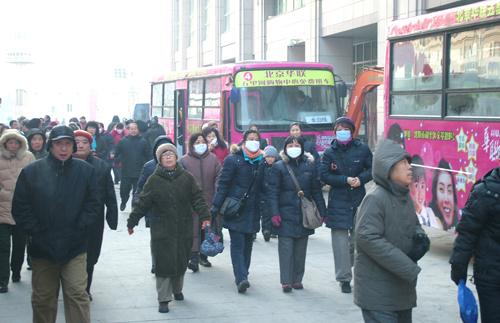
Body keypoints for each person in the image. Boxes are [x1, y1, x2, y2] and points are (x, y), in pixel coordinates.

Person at [12, 125, 99, 323]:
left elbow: (94, 205)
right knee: (43, 299)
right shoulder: (32, 172)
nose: (63, 148)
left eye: (68, 144)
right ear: (51, 145)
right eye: (59, 144)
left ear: (73, 147)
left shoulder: (86, 172)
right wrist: (36, 231)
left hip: (75, 246)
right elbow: (20, 207)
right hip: (42, 247)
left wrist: (80, 227)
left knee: (77, 295)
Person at [127, 143, 210, 314]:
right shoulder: (154, 180)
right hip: (162, 229)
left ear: (176, 157)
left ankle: (177, 289)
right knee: (163, 263)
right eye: (164, 155)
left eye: (171, 154)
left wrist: (205, 216)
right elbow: (143, 202)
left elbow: (197, 198)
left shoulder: (187, 177)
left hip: (183, 227)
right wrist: (132, 221)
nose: (168, 157)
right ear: (159, 160)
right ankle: (164, 298)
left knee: (180, 260)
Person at [354, 139, 429, 323]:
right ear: (388, 168)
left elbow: (413, 224)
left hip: (401, 289)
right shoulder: (375, 198)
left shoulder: (403, 196)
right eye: (403, 163)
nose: (409, 168)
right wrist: (406, 265)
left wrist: (420, 238)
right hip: (378, 293)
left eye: (409, 163)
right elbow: (367, 237)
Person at [320, 116, 372, 293]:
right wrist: (344, 180)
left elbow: (371, 169)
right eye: (339, 129)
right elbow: (324, 176)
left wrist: (361, 179)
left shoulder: (362, 149)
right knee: (340, 242)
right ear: (335, 132)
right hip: (338, 200)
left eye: (346, 129)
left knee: (357, 242)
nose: (342, 131)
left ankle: (359, 274)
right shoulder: (329, 153)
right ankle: (344, 279)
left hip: (358, 199)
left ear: (352, 131)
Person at [268, 136, 326, 292]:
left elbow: (316, 191)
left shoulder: (309, 166)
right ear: (285, 148)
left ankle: (297, 279)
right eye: (291, 145)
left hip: (304, 214)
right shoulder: (278, 167)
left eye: (297, 145)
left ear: (302, 147)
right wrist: (274, 213)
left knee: (301, 249)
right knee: (286, 248)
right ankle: (286, 281)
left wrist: (322, 210)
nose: (294, 147)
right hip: (284, 213)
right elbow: (272, 192)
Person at [211, 129, 265, 293]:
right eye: (250, 138)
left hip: (253, 210)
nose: (253, 141)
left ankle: (244, 273)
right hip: (236, 209)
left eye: (256, 139)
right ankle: (241, 277)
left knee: (248, 244)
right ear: (243, 141)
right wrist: (215, 206)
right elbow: (223, 185)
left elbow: (265, 188)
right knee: (237, 244)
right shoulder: (233, 160)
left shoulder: (262, 162)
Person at [449, 154, 500, 323]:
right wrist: (459, 268)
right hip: (491, 278)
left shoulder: (485, 190)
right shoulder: (485, 192)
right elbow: (467, 233)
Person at [73, 130, 118, 300]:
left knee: (90, 256)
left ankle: (85, 288)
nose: (80, 144)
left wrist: (112, 217)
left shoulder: (101, 166)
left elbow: (109, 194)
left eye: (84, 142)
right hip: (69, 219)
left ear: (90, 145)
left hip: (94, 219)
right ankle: (73, 287)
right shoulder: (64, 163)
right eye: (76, 141)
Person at [180, 133, 221, 272]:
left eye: (203, 141)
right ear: (191, 144)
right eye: (197, 142)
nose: (201, 144)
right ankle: (193, 258)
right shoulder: (184, 161)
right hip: (191, 203)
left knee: (207, 229)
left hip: (210, 201)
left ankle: (204, 256)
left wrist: (217, 195)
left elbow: (219, 178)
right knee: (193, 230)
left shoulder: (213, 159)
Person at [0, 130, 35, 293]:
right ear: (5, 143)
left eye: (16, 142)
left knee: (20, 246)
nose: (13, 145)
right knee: (3, 247)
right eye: (10, 142)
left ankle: (15, 270)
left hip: (22, 211)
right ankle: (2, 280)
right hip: (2, 210)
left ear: (21, 144)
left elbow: (36, 180)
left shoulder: (28, 157)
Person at [134, 135, 173, 274]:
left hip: (175, 212)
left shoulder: (180, 166)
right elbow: (140, 188)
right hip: (154, 212)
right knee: (157, 239)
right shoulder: (149, 166)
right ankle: (156, 263)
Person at [115, 121, 150, 211]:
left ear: (138, 130)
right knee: (124, 190)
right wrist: (116, 159)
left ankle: (134, 207)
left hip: (139, 171)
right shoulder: (123, 141)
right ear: (128, 130)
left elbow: (148, 155)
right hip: (126, 170)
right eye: (131, 129)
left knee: (137, 191)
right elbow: (117, 153)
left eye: (135, 129)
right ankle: (123, 201)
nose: (133, 130)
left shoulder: (143, 141)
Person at [409, 155, 442, 229]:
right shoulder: (405, 217)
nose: (420, 193)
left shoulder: (432, 216)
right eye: (416, 186)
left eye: (422, 186)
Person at [429, 159, 459, 231]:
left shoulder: (460, 228)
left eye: (449, 190)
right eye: (441, 189)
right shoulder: (430, 222)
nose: (446, 199)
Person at [261, 145, 279, 242]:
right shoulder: (262, 167)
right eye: (268, 157)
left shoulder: (278, 167)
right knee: (265, 214)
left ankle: (274, 230)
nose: (270, 159)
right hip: (264, 195)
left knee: (274, 212)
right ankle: (266, 230)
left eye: (272, 157)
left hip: (275, 195)